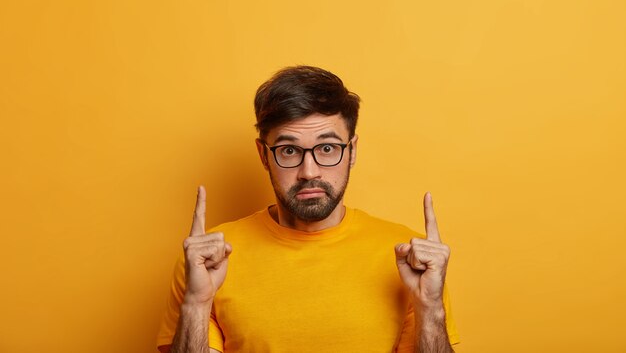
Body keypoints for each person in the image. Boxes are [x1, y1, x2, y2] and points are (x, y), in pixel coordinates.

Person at [157, 66, 460, 352]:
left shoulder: (411, 259)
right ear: (264, 155)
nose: (309, 172)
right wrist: (196, 302)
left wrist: (430, 307)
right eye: (289, 150)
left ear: (351, 150)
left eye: (327, 148)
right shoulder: (210, 259)